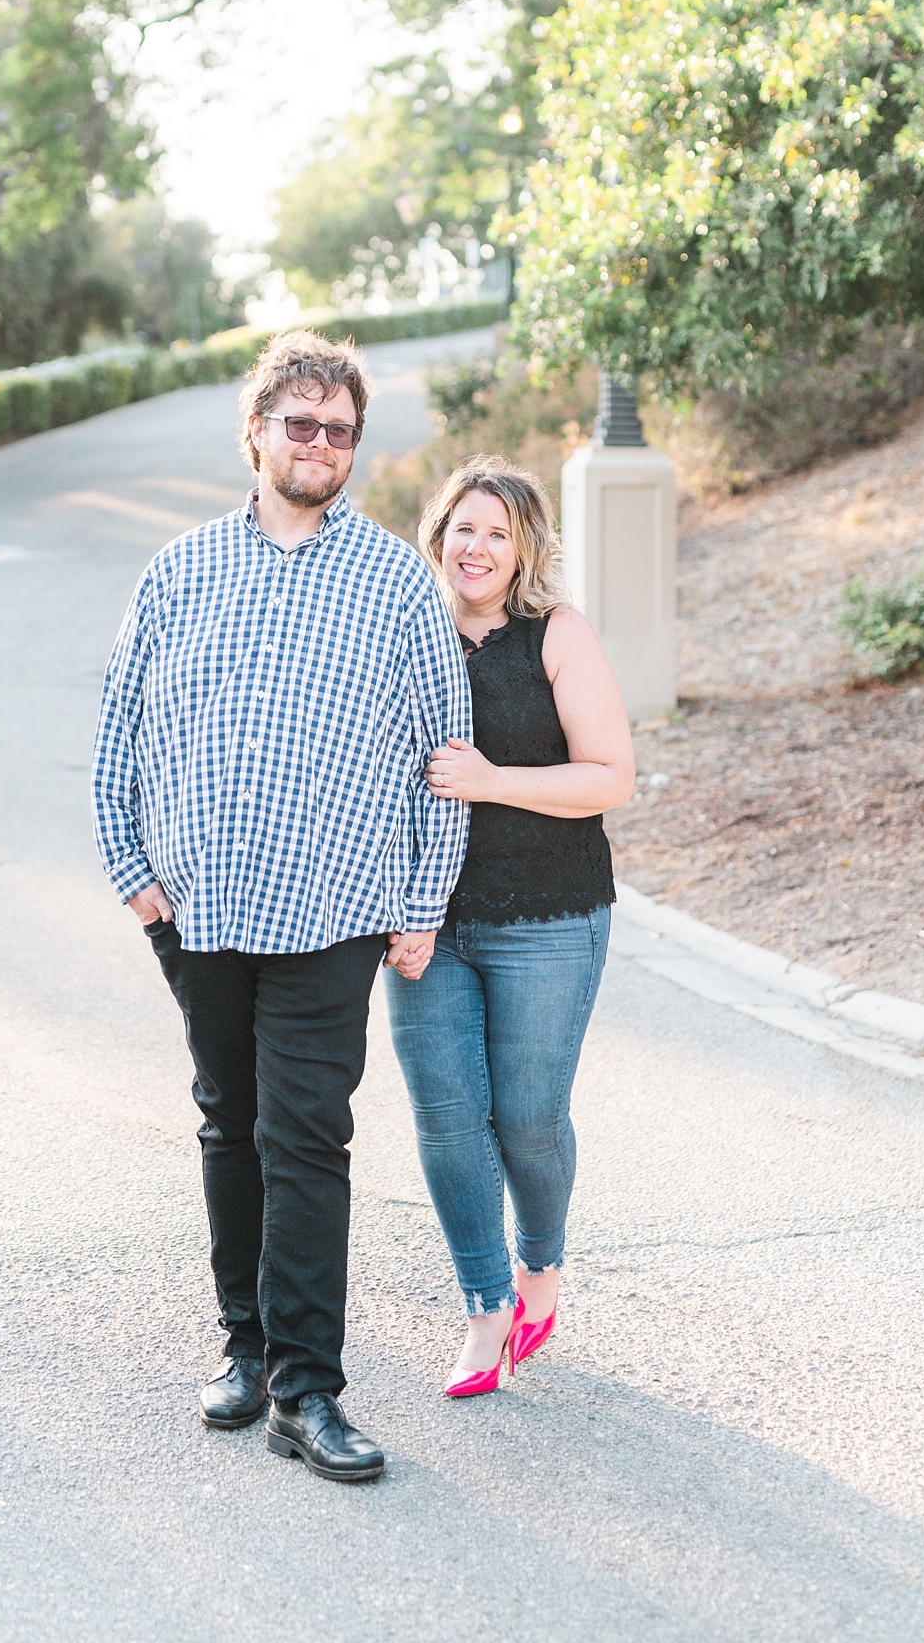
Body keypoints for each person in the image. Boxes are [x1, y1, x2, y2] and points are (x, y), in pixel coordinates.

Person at [91, 330, 471, 1482]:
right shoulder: (180, 569)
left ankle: (309, 1388)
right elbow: (122, 723)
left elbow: (441, 750)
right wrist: (132, 868)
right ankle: (244, 1347)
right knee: (229, 1120)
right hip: (198, 908)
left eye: (339, 429)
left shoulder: (399, 581)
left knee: (307, 1137)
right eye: (298, 423)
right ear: (255, 432)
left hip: (335, 908)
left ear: (356, 445)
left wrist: (423, 897)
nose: (319, 444)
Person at [385, 456, 635, 1396]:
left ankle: (540, 1265)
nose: (477, 546)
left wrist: (493, 780)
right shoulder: (399, 635)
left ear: (523, 545)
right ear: (438, 536)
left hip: (548, 912)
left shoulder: (556, 636)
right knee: (449, 1120)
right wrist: (390, 912)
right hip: (425, 920)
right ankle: (486, 1307)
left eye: (498, 531)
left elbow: (610, 775)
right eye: (463, 527)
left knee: (526, 1119)